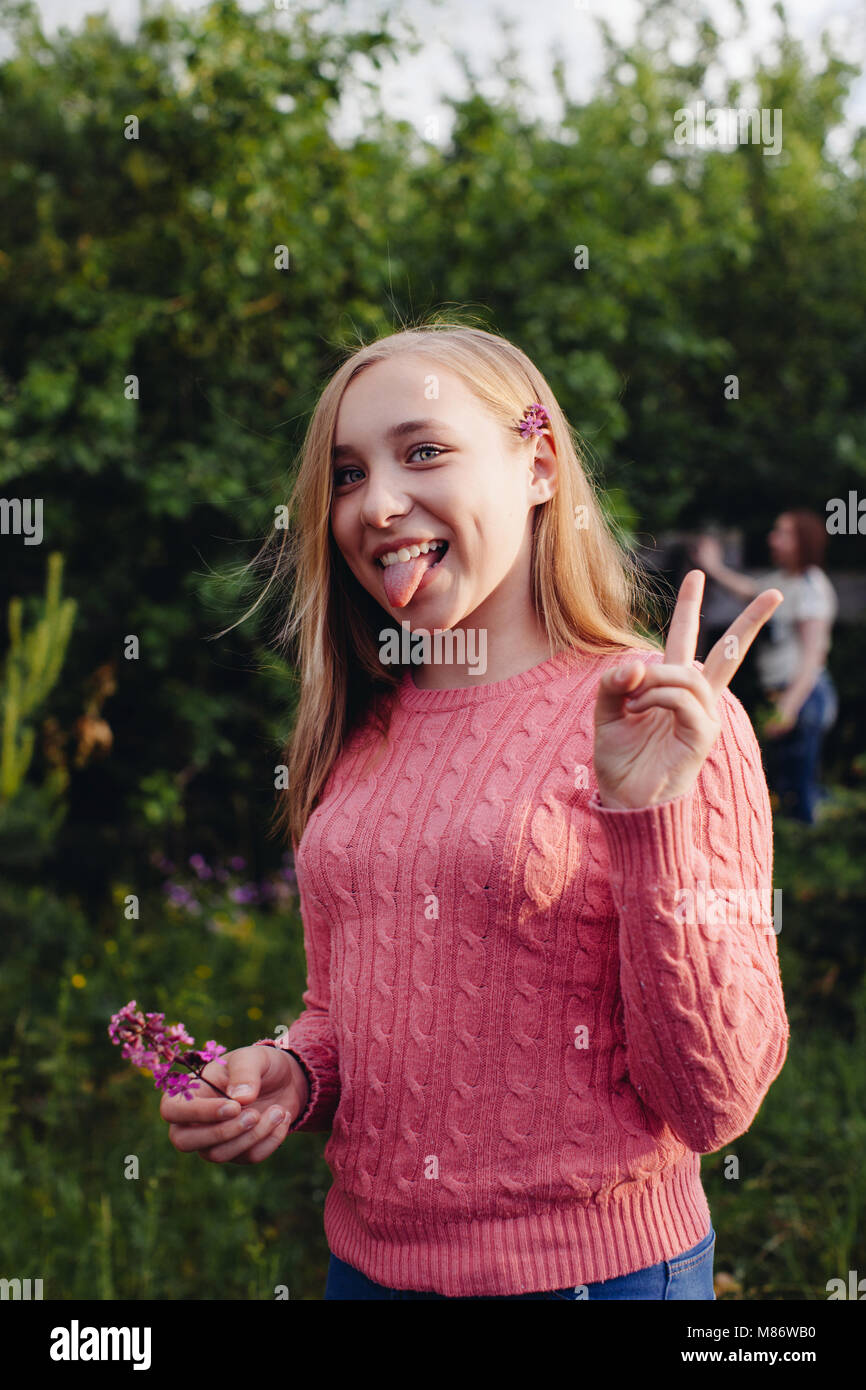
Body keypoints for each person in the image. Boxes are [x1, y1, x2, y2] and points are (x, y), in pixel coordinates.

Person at [159, 321, 789, 1300]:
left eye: (422, 451)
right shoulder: (362, 728)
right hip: (363, 1272)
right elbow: (348, 1007)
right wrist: (295, 1068)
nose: (377, 503)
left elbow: (714, 1102)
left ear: (536, 464)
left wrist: (649, 819)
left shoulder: (660, 714)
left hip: (589, 1280)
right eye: (347, 474)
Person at [693, 512, 838, 824]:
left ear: (803, 542)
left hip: (804, 696)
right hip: (788, 695)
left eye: (782, 533)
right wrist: (714, 566)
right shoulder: (784, 581)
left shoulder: (811, 586)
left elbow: (813, 656)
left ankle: (808, 846)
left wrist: (788, 706)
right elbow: (750, 591)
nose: (773, 539)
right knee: (787, 779)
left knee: (799, 787)